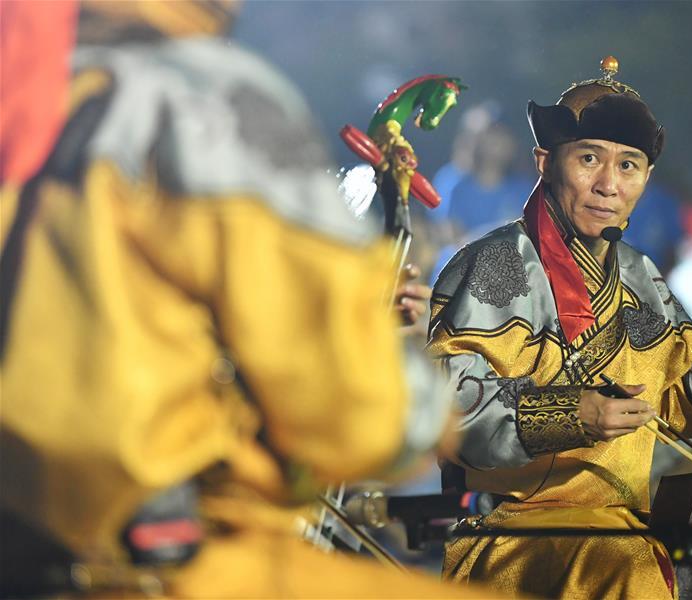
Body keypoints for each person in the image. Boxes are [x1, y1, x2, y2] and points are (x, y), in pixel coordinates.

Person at [0, 2, 484, 598]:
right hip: (156, 562)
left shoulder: (34, 76)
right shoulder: (204, 95)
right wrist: (420, 397)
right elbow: (362, 415)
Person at [427, 57, 692, 598]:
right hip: (511, 532)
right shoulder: (491, 266)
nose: (609, 184)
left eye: (629, 165)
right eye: (589, 158)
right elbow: (449, 413)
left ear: (646, 178)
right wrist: (571, 413)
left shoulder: (641, 276)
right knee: (628, 568)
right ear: (545, 161)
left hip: (625, 524)